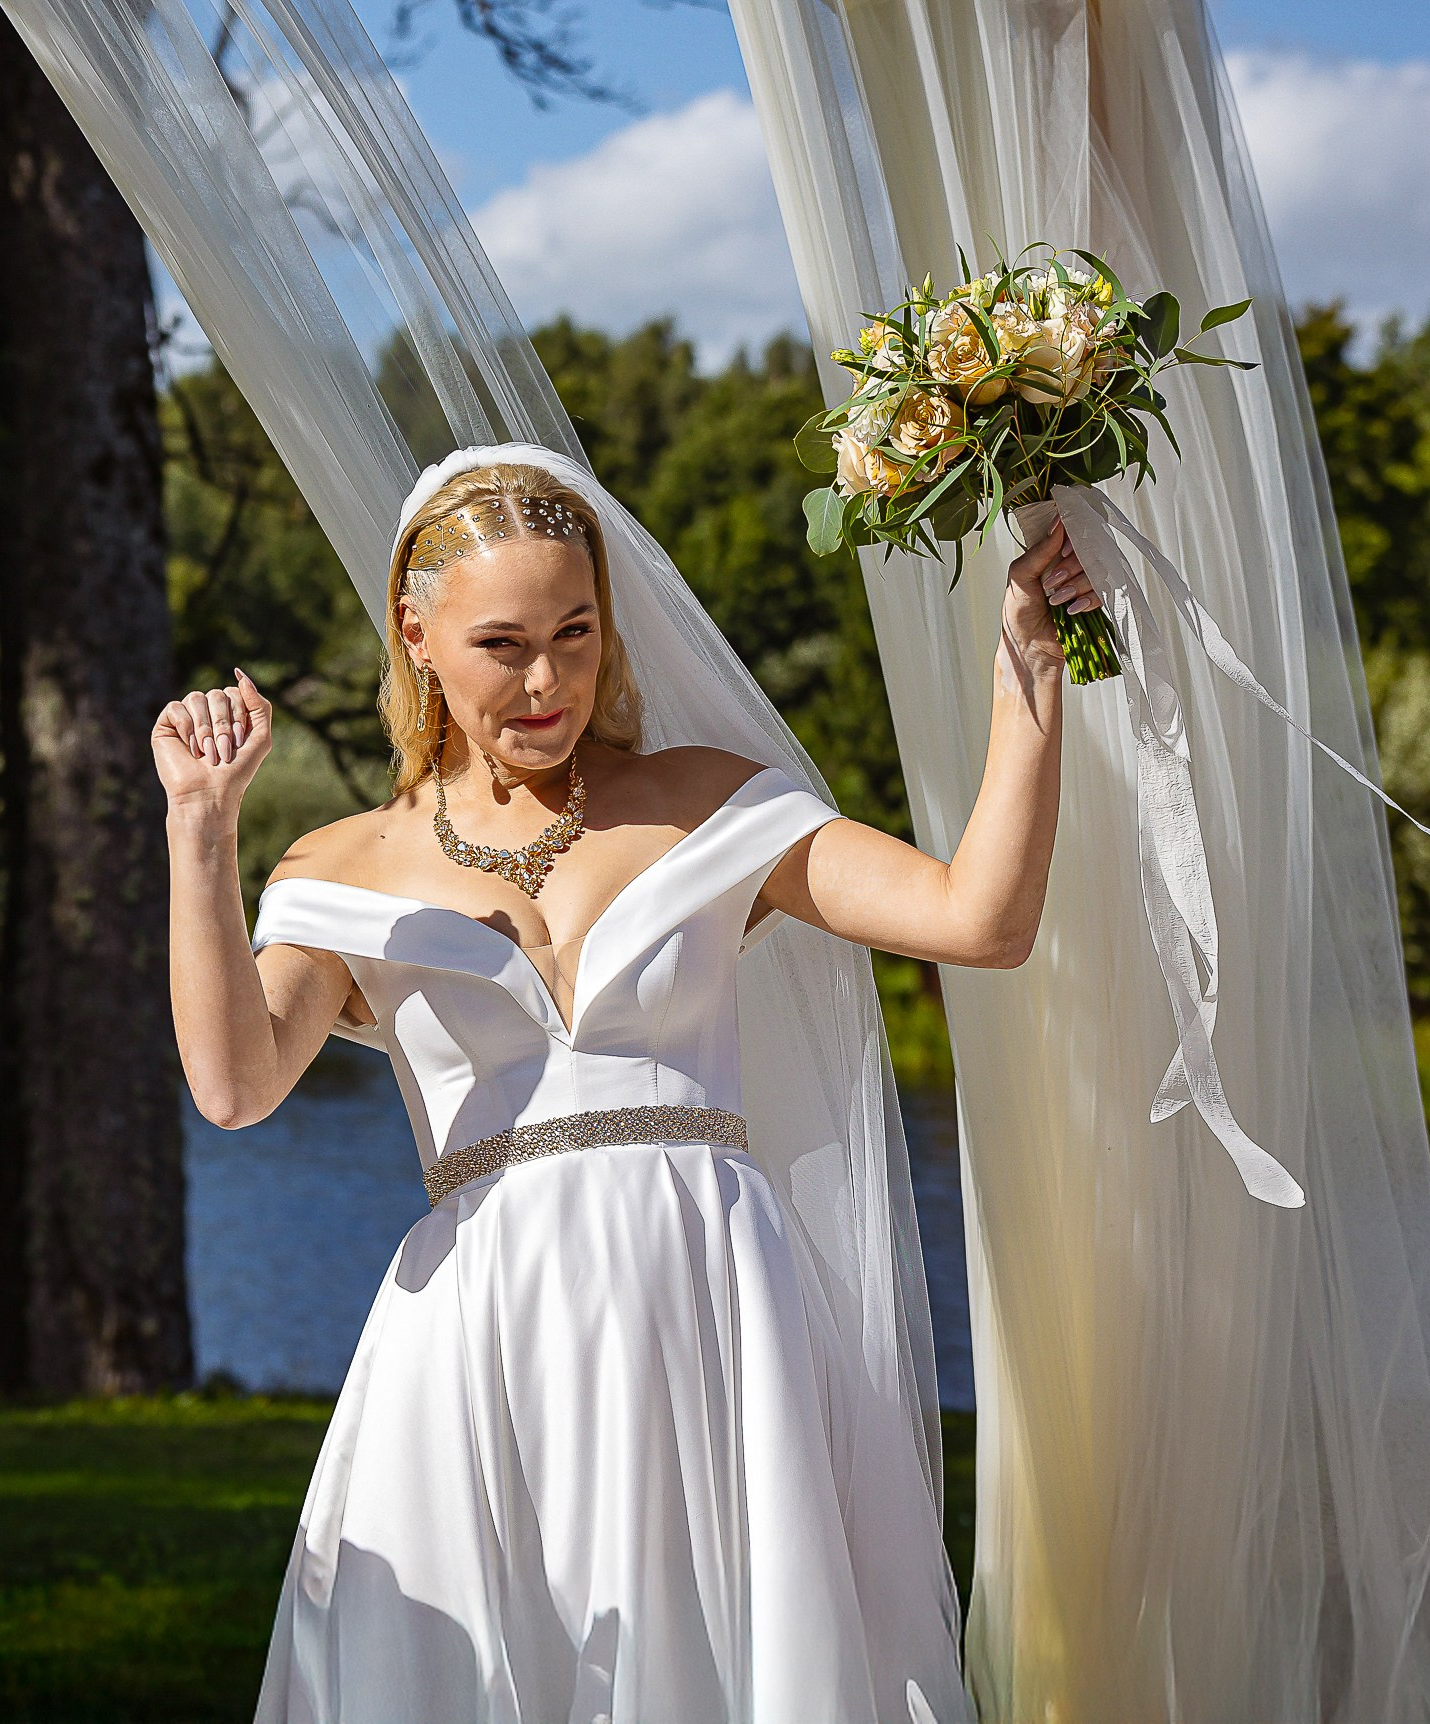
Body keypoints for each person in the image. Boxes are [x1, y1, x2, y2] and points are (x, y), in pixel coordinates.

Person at [157, 451, 1094, 1723]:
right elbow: (233, 1083)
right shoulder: (344, 863)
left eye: (574, 633)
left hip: (710, 1299)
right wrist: (200, 836)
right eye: (501, 642)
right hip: (483, 1329)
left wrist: (1025, 672)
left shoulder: (708, 802)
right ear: (416, 635)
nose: (545, 680)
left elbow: (978, 918)